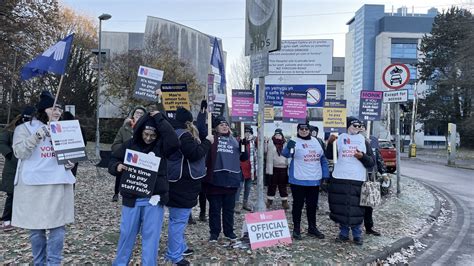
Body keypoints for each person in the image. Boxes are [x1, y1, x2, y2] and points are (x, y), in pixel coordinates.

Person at [12, 91, 76, 264]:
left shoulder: (65, 129)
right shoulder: (24, 128)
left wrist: (70, 161)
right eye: (53, 108)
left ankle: (53, 263)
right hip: (33, 185)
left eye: (60, 109)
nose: (57, 112)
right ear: (42, 109)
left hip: (58, 183)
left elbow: (71, 159)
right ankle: (39, 262)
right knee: (36, 229)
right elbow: (19, 152)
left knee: (58, 228)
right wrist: (38, 135)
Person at [108, 111, 179, 265]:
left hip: (153, 200)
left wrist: (160, 118)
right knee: (126, 235)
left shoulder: (161, 146)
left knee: (151, 237)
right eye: (145, 134)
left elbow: (174, 142)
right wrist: (117, 166)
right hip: (131, 199)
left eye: (152, 135)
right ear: (140, 132)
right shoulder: (130, 145)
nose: (148, 138)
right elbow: (113, 159)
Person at [165, 106, 213, 265]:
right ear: (187, 122)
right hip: (183, 183)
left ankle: (180, 246)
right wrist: (207, 142)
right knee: (178, 221)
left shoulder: (172, 131)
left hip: (176, 182)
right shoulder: (183, 135)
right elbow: (194, 154)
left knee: (177, 218)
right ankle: (175, 255)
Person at [326, 117, 375, 245]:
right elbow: (330, 156)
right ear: (347, 125)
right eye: (355, 125)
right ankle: (343, 233)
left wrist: (362, 156)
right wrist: (330, 143)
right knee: (341, 207)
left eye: (359, 126)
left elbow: (371, 162)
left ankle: (357, 234)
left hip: (357, 179)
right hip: (340, 178)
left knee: (357, 208)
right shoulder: (339, 138)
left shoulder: (364, 141)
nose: (357, 128)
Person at [202, 114, 248, 242]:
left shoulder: (236, 141)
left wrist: (244, 146)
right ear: (216, 128)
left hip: (231, 180)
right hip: (215, 180)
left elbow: (244, 158)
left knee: (229, 209)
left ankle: (229, 231)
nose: (224, 126)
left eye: (226, 124)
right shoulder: (212, 139)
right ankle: (214, 233)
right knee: (215, 209)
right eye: (221, 124)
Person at [282, 122, 329, 240]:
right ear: (298, 130)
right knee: (298, 205)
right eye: (301, 129)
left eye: (306, 129)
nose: (303, 131)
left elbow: (323, 159)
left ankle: (312, 227)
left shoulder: (316, 141)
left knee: (312, 205)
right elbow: (286, 155)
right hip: (298, 179)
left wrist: (325, 174)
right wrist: (288, 147)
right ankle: (296, 228)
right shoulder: (293, 140)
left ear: (309, 130)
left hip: (314, 179)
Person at [0, 106, 35, 232]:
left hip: (30, 166)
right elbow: (2, 143)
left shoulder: (33, 129)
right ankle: (6, 219)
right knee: (12, 193)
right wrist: (10, 155)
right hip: (13, 166)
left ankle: (21, 217)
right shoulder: (11, 130)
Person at [111, 106, 147, 202]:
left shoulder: (147, 129)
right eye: (137, 113)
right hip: (126, 157)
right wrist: (124, 150)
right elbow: (115, 144)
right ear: (133, 115)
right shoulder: (124, 128)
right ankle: (116, 193)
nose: (138, 115)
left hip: (141, 160)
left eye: (141, 114)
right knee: (120, 175)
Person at [360, 124, 387, 236]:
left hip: (371, 176)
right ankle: (354, 227)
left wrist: (383, 172)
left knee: (369, 204)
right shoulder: (352, 140)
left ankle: (369, 227)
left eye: (363, 126)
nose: (361, 128)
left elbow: (378, 157)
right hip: (357, 176)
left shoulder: (373, 140)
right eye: (358, 126)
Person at [264, 128, 289, 210]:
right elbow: (264, 151)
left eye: (279, 135)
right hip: (273, 167)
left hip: (283, 167)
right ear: (274, 136)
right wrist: (265, 142)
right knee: (272, 185)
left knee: (283, 185)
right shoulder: (270, 143)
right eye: (276, 135)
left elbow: (290, 153)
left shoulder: (285, 144)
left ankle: (284, 201)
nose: (278, 137)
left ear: (282, 136)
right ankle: (269, 200)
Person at [236, 126, 256, 212]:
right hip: (240, 166)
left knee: (248, 186)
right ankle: (236, 204)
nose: (247, 134)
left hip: (250, 167)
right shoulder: (238, 141)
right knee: (239, 186)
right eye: (245, 132)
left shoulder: (254, 142)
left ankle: (245, 203)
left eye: (249, 132)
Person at [62, 111, 87, 178]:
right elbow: (84, 142)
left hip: (62, 154)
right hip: (75, 154)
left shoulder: (62, 128)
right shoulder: (78, 127)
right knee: (72, 175)